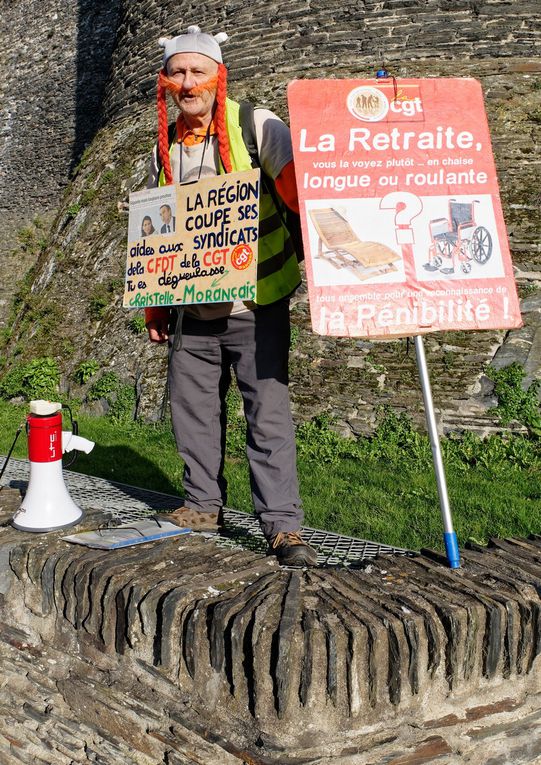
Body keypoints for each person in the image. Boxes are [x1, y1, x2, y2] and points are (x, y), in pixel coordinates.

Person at [144, 25, 317, 566]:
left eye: (198, 71)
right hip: (191, 309)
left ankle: (282, 526)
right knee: (191, 411)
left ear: (219, 76)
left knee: (267, 414)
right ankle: (202, 504)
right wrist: (156, 304)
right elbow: (159, 235)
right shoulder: (164, 146)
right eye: (178, 72)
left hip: (257, 301)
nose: (188, 82)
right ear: (165, 82)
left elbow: (299, 189)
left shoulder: (256, 125)